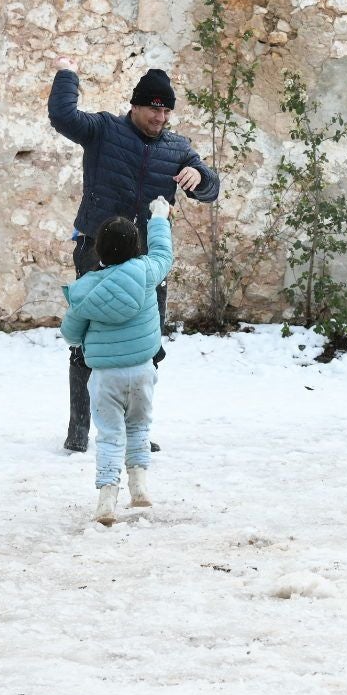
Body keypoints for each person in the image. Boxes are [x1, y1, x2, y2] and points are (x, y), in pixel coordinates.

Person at [48, 57, 220, 453]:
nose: (160, 116)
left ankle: (134, 429)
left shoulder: (178, 149)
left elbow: (211, 188)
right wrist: (66, 73)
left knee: (147, 345)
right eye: (153, 108)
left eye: (166, 109)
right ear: (135, 106)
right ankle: (79, 429)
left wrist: (201, 178)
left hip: (147, 262)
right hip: (96, 251)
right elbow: (63, 116)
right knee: (88, 342)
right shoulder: (104, 130)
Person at [61, 198, 174, 525]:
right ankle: (139, 488)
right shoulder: (145, 272)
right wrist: (159, 218)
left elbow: (70, 334)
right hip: (142, 371)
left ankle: (106, 502)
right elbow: (163, 255)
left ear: (99, 250)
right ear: (136, 247)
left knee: (110, 436)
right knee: (139, 427)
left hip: (105, 377)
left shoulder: (85, 291)